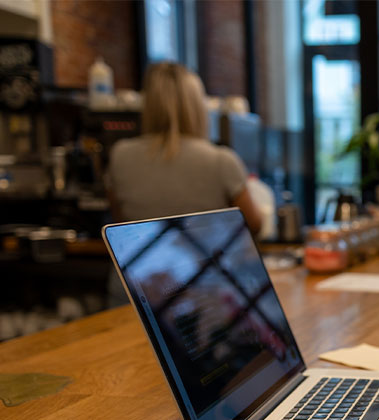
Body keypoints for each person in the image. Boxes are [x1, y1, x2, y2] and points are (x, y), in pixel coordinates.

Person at [106, 62, 262, 305]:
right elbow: (253, 224)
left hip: (134, 291)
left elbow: (120, 222)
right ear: (197, 107)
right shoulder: (220, 160)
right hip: (198, 292)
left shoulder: (120, 155)